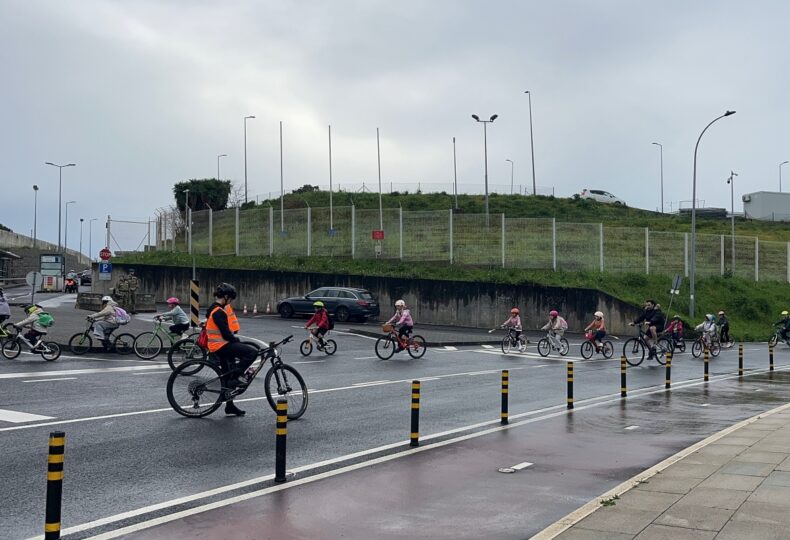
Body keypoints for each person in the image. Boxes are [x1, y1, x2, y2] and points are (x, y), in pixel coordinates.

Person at [205, 282, 258, 416]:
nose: (231, 302)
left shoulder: (213, 308)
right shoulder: (219, 312)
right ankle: (236, 378)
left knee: (229, 373)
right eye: (231, 299)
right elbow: (226, 334)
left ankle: (230, 406)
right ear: (226, 296)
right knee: (252, 352)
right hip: (221, 346)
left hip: (217, 346)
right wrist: (236, 340)